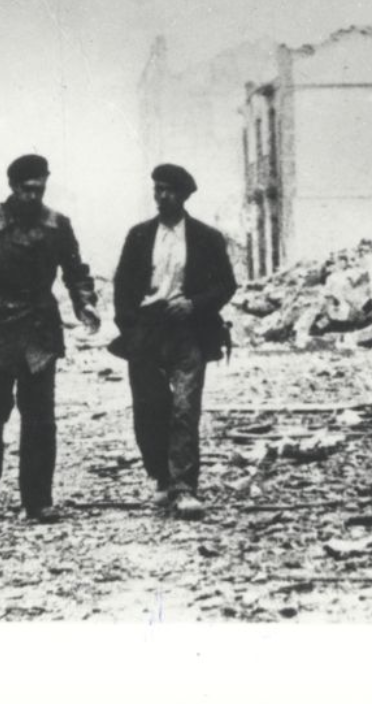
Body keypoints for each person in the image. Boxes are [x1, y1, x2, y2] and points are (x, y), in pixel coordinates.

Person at [0, 154, 101, 522]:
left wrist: (85, 304)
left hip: (38, 330)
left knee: (40, 418)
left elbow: (76, 272)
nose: (33, 196)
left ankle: (38, 500)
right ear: (12, 187)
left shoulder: (58, 225)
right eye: (27, 189)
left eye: (40, 189)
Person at [112, 164, 237, 520]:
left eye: (168, 190)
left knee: (185, 407)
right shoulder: (139, 236)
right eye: (157, 190)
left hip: (189, 330)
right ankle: (162, 478)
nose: (161, 196)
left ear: (184, 195)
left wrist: (194, 304)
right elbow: (122, 286)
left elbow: (226, 285)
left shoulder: (206, 238)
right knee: (150, 408)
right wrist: (131, 328)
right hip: (147, 331)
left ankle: (184, 487)